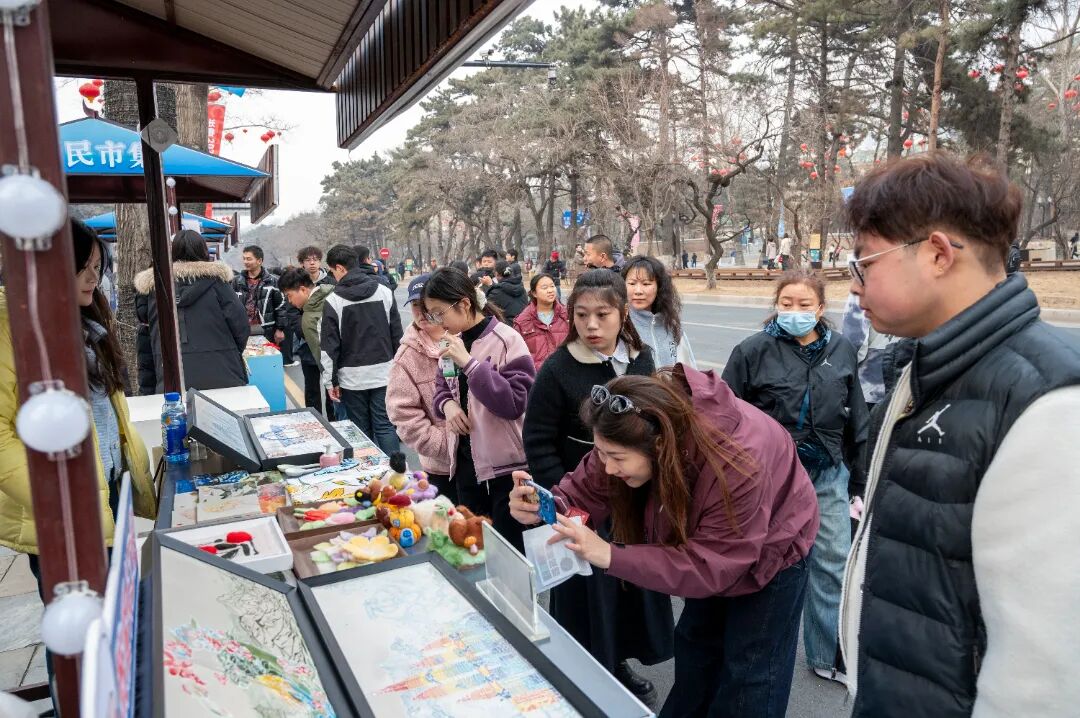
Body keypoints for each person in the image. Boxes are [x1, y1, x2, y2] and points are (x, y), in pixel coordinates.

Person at [840, 153, 1080, 718]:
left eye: (864, 263)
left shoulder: (1049, 403)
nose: (854, 287)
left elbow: (1043, 676)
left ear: (938, 254)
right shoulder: (930, 368)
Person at [510, 367, 819, 718]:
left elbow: (710, 566)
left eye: (617, 459)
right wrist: (545, 508)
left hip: (774, 552)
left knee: (750, 675)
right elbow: (585, 487)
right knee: (696, 650)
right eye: (601, 453)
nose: (608, 468)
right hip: (713, 545)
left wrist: (610, 554)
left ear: (660, 446)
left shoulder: (736, 460)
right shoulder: (630, 428)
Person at [0, 220, 157, 702]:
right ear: (46, 269)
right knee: (78, 639)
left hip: (102, 494)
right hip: (64, 513)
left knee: (113, 618)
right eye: (82, 268)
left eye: (96, 268)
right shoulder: (12, 328)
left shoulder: (82, 322)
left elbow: (108, 412)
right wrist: (66, 501)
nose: (93, 278)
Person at [522, 269, 669, 699]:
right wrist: (567, 502)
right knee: (587, 599)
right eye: (582, 315)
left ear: (623, 312)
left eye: (603, 315)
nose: (591, 326)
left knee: (627, 592)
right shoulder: (558, 367)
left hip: (633, 501)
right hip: (581, 506)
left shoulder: (640, 359)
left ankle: (617, 664)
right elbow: (537, 440)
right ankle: (583, 673)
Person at [723, 270, 868, 685]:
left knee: (833, 562)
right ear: (776, 305)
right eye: (786, 303)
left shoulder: (841, 349)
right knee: (767, 561)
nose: (795, 312)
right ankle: (752, 648)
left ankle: (828, 655)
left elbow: (855, 413)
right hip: (770, 477)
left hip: (827, 472)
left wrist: (857, 476)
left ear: (821, 309)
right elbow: (726, 417)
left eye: (805, 305)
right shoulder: (752, 351)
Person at [423, 268, 535, 550]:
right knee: (472, 546)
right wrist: (447, 406)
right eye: (431, 315)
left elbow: (514, 403)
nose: (436, 322)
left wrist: (470, 364)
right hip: (465, 464)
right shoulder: (452, 342)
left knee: (509, 554)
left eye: (439, 313)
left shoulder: (507, 340)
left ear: (463, 304)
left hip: (505, 469)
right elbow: (441, 391)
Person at [136, 230, 248, 393]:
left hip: (172, 379)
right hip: (224, 374)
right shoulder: (218, 284)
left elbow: (146, 337)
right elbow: (241, 327)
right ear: (203, 251)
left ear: (172, 252)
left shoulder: (153, 289)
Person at [322, 245, 403, 454]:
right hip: (384, 373)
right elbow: (397, 336)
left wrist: (331, 382)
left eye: (332, 271)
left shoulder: (333, 301)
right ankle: (397, 478)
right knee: (385, 427)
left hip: (352, 378)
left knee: (361, 431)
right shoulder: (384, 292)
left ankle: (370, 479)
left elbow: (330, 348)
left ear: (339, 268)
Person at [385, 274, 454, 502]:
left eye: (427, 304)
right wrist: (445, 446)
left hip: (486, 461)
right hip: (441, 469)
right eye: (415, 305)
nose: (421, 311)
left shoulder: (467, 340)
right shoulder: (406, 357)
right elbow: (403, 416)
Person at [277, 268, 336, 416]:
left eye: (289, 296)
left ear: (303, 289)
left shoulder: (312, 315)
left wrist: (332, 383)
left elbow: (326, 354)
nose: (289, 301)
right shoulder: (333, 294)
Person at [623, 255, 696, 369]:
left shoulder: (671, 325)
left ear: (659, 287)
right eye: (632, 283)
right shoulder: (619, 326)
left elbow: (690, 371)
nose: (638, 291)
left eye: (646, 284)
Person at [231, 244, 285, 346]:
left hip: (266, 329)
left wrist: (280, 329)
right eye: (244, 259)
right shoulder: (236, 281)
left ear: (259, 261)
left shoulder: (273, 281)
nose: (245, 262)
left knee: (265, 358)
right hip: (242, 329)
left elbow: (281, 307)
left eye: (249, 259)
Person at [513, 273, 569, 368]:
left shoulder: (567, 316)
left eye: (552, 286)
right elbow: (517, 355)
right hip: (537, 377)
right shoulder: (522, 321)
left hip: (566, 374)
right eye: (544, 287)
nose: (550, 290)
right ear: (534, 293)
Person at [485, 260, 529, 324]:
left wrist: (490, 286)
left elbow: (487, 312)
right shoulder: (522, 288)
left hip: (506, 329)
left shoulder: (496, 293)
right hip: (524, 326)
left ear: (496, 274)